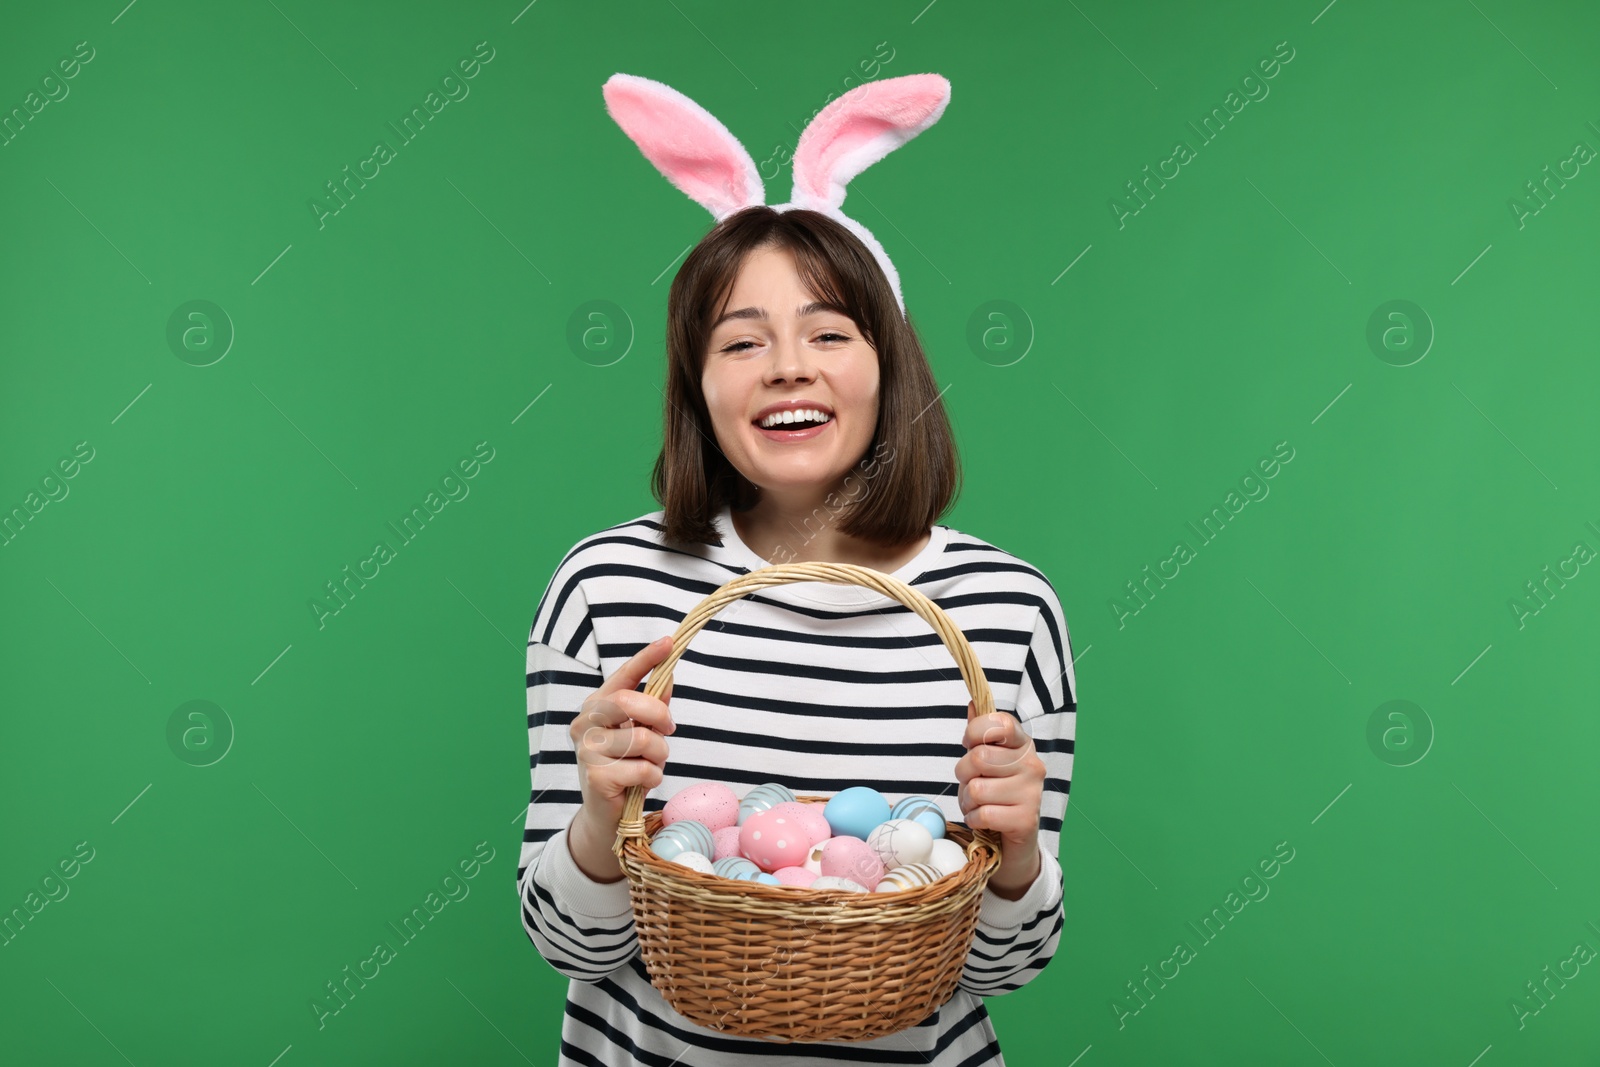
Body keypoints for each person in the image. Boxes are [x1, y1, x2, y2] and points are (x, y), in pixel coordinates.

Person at [517, 204, 1078, 1065]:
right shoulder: (607, 589)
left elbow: (1008, 965)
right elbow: (571, 947)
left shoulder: (1006, 611)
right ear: (695, 386)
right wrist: (600, 821)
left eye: (829, 334)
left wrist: (1017, 856)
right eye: (740, 343)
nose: (787, 369)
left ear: (888, 365)